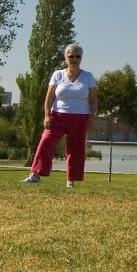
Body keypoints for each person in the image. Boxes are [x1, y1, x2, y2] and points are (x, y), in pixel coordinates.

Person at [25, 43, 95, 188]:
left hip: (80, 117)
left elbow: (93, 99)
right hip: (57, 116)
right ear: (65, 58)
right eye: (71, 56)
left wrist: (92, 118)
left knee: (76, 149)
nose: (74, 59)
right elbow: (49, 97)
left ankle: (71, 180)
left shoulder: (88, 76)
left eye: (77, 56)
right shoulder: (58, 75)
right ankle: (35, 174)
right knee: (46, 141)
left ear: (81, 58)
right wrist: (47, 115)